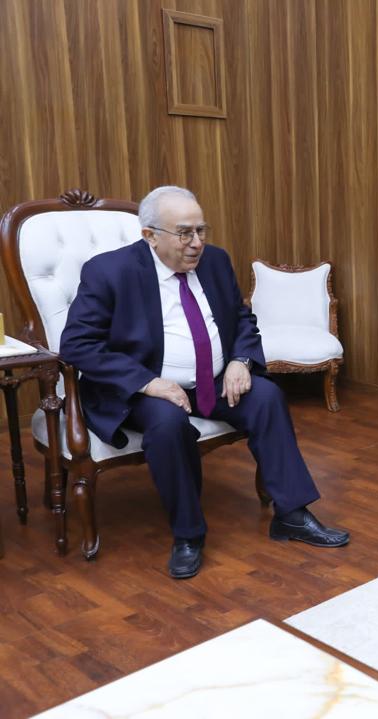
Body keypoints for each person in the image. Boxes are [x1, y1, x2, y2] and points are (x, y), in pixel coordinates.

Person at [60, 186, 349, 579]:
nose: (197, 243)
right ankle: (188, 534)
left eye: (201, 230)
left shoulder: (215, 261)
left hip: (214, 382)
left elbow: (241, 318)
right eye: (184, 233)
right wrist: (148, 382)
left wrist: (240, 360)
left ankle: (292, 514)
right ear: (150, 236)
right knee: (167, 424)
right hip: (148, 388)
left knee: (266, 396)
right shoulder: (110, 271)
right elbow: (77, 344)